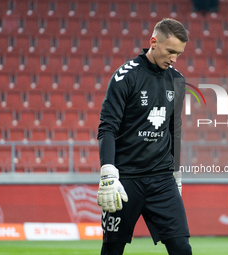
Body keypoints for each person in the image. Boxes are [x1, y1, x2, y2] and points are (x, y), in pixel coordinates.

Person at [97, 18, 192, 255]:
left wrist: (176, 173)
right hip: (126, 179)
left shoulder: (177, 80)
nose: (174, 59)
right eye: (170, 51)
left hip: (162, 179)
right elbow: (107, 127)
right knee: (112, 250)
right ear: (153, 42)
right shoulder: (125, 76)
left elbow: (175, 129)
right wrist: (108, 172)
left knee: (182, 247)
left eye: (179, 54)